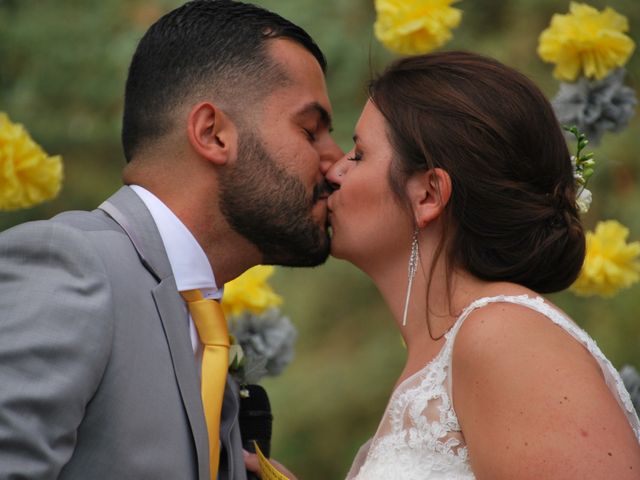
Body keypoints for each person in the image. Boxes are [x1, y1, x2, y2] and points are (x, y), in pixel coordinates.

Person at [247, 51, 640, 479]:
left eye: (359, 154)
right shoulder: (453, 346)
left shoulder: (503, 335)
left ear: (429, 195)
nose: (335, 170)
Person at [0, 1, 341, 479]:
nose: (337, 161)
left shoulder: (202, 316)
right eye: (310, 131)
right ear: (213, 134)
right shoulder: (67, 263)